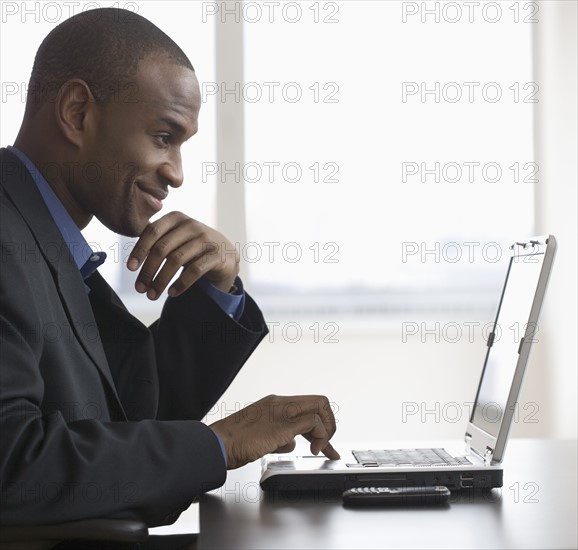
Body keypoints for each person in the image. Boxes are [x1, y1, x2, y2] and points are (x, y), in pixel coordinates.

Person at [0, 7, 339, 531]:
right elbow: (13, 465)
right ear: (76, 113)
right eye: (164, 137)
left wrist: (219, 288)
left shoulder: (40, 237)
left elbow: (128, 421)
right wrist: (222, 443)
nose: (176, 174)